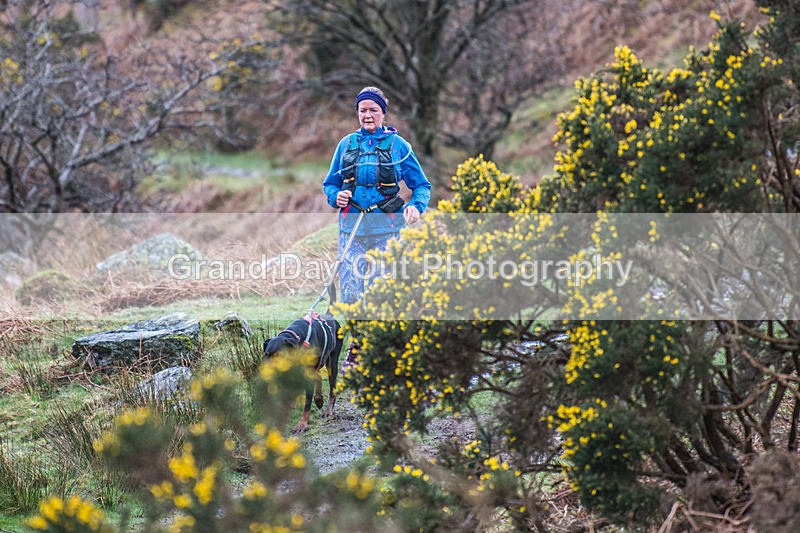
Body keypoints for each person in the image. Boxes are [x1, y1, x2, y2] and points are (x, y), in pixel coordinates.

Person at [323, 86, 431, 370]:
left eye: (373, 110)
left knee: (381, 291)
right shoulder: (346, 145)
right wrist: (337, 196)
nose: (367, 115)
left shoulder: (399, 147)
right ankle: (357, 348)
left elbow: (421, 186)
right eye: (362, 111)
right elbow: (330, 184)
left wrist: (415, 207)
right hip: (351, 229)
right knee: (350, 292)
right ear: (357, 113)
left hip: (389, 229)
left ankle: (383, 349)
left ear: (383, 113)